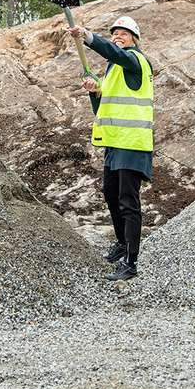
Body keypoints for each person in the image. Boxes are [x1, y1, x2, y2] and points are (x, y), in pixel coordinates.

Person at [67, 16, 154, 281]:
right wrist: (95, 92)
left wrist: (88, 37)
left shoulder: (136, 60)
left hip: (132, 143)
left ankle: (131, 263)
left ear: (134, 39)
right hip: (115, 144)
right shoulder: (113, 69)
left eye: (124, 33)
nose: (118, 36)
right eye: (114, 33)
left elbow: (114, 52)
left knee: (129, 202)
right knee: (110, 193)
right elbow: (101, 110)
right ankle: (121, 243)